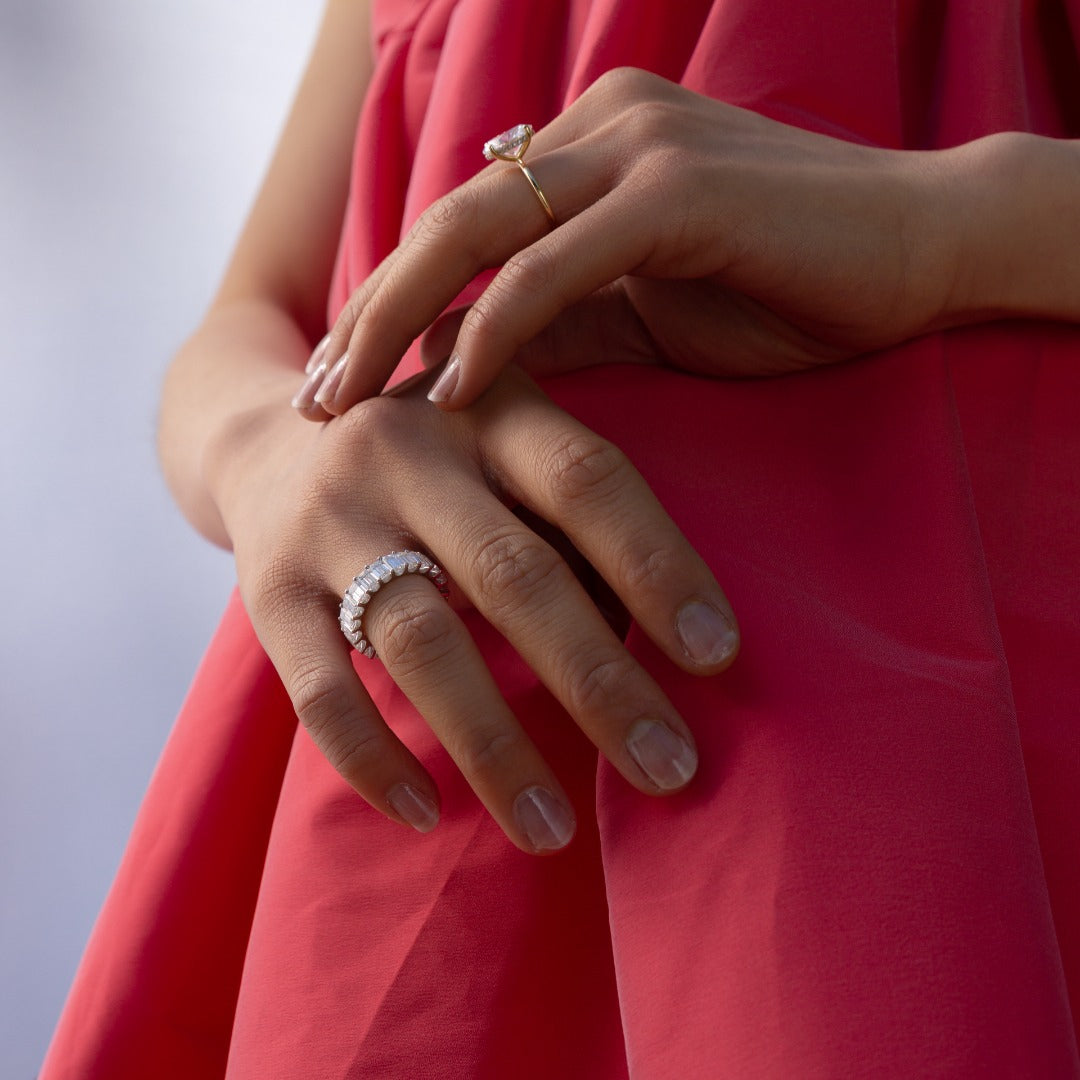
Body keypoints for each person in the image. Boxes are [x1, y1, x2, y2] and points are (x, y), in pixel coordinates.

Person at [42, 0, 1080, 1076]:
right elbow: (250, 317)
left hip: (927, 778)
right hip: (425, 778)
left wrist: (943, 221)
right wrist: (270, 457)